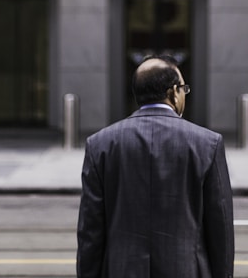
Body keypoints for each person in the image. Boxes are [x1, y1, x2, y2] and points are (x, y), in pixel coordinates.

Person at [77, 55, 234, 278]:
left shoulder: (100, 144)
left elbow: (90, 232)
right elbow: (221, 231)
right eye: (184, 89)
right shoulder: (207, 144)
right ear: (173, 92)